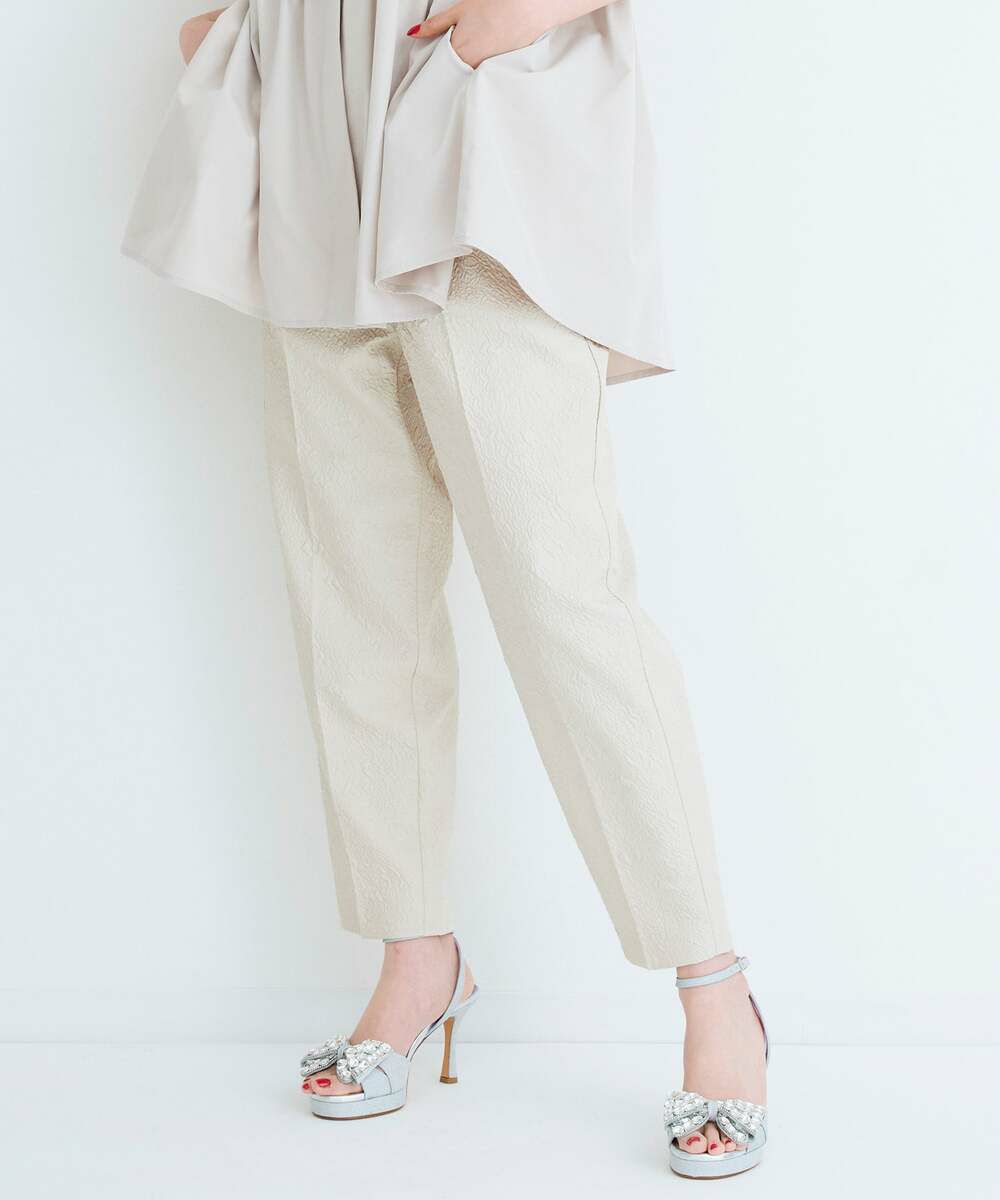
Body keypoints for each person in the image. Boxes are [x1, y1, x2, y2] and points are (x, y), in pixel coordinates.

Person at [124, 1, 768, 1178]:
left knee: (565, 604)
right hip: (316, 167)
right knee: (356, 610)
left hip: (485, 158)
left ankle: (715, 989)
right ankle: (416, 956)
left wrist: (500, 27)